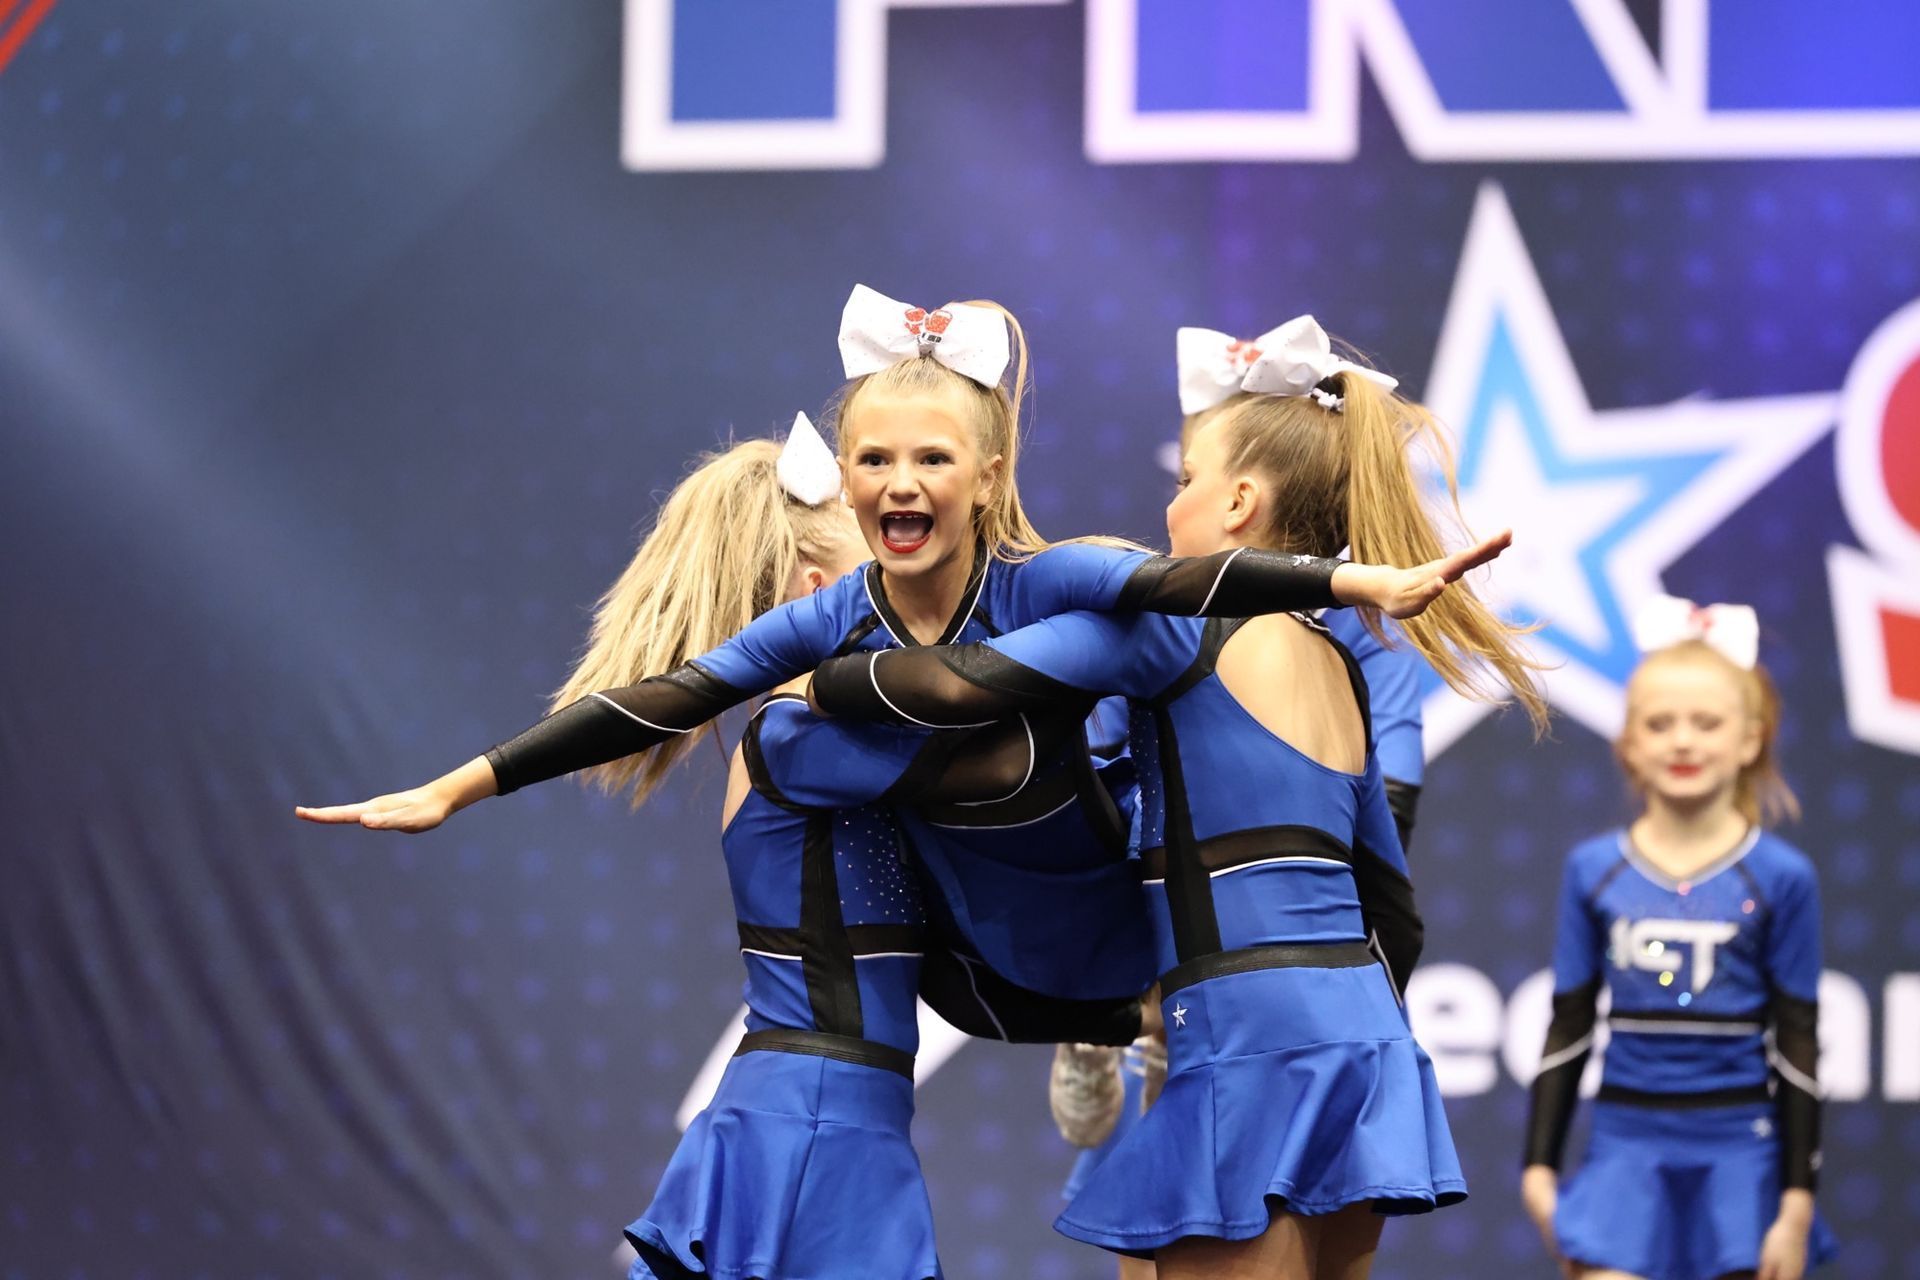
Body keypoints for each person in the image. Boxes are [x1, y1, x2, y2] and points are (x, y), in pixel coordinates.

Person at [298, 287, 1508, 1011]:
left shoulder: (1055, 579)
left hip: (1139, 918)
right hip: (1004, 963)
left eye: (932, 458)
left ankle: (1138, 1021)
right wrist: (463, 783)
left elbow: (1165, 584)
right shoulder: (824, 626)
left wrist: (1364, 577)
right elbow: (666, 693)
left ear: (988, 478)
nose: (899, 481)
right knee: (820, 742)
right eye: (873, 459)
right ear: (852, 484)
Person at [805, 315, 1550, 1279]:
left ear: (1239, 503)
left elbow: (959, 684)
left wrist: (801, 679)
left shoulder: (1177, 635)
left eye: (1185, 482)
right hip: (1363, 1046)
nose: (1170, 509)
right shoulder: (1352, 673)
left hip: (1247, 1045)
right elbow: (1393, 911)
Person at [312, 430, 1135, 1278]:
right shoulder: (806, 736)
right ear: (820, 593)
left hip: (817, 1114)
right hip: (814, 1124)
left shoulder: (830, 747)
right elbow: (1008, 753)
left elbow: (948, 973)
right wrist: (1124, 647)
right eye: (885, 583)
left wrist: (1119, 1014)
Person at [1521, 595, 1838, 1280]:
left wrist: (1795, 1203)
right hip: (1624, 1148)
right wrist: (1539, 1169)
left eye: (1707, 723)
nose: (1684, 741)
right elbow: (1570, 1026)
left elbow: (1798, 1043)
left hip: (1741, 1152)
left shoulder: (1783, 878)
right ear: (1629, 742)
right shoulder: (1595, 871)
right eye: (1660, 724)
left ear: (1751, 737)